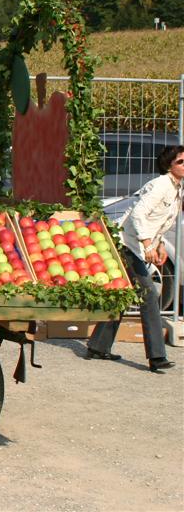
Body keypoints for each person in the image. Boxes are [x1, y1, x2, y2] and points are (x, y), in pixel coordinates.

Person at [86, 145, 183, 372]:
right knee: (148, 295)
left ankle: (98, 346)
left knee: (124, 294)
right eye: (180, 162)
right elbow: (139, 214)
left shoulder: (176, 189)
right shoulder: (162, 185)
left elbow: (158, 221)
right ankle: (157, 356)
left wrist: (158, 245)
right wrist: (147, 243)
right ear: (169, 165)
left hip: (137, 245)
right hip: (125, 244)